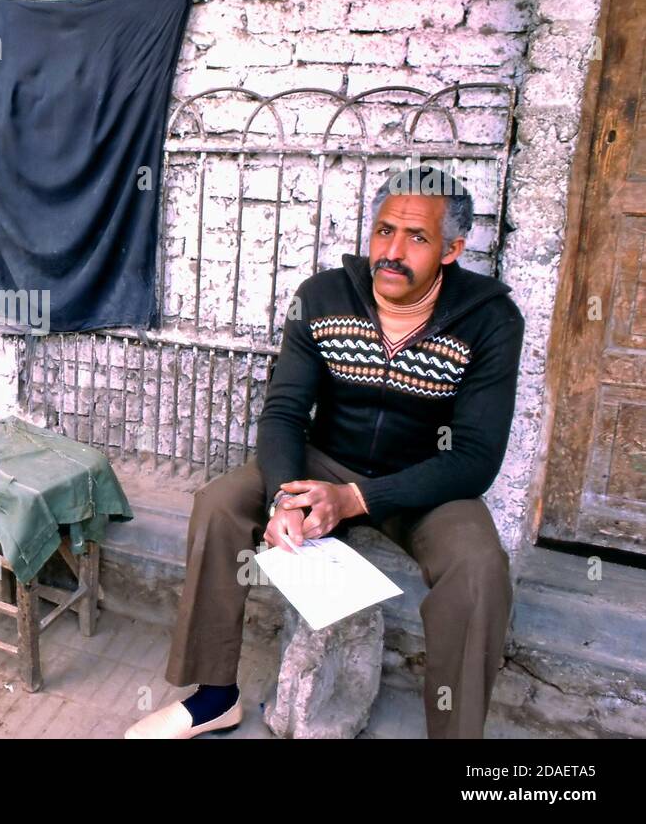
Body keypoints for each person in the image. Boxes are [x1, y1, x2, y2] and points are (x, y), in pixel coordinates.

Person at [127, 164, 524, 740]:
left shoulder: (490, 320)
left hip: (426, 482)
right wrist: (286, 497)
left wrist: (358, 499)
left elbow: (476, 459)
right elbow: (286, 411)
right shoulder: (322, 296)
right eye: (385, 231)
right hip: (325, 462)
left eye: (417, 238)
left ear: (452, 249)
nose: (393, 251)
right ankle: (215, 696)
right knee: (219, 503)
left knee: (482, 569)